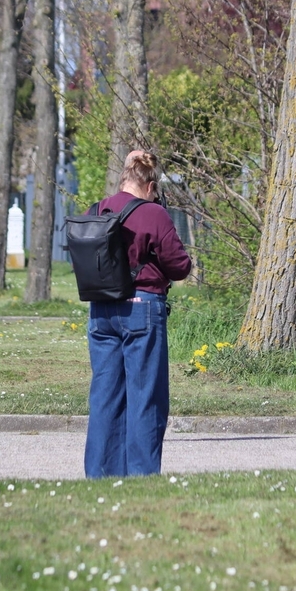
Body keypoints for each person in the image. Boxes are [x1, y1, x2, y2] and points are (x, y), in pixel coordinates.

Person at [84, 150, 192, 478]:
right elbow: (179, 266)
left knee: (105, 397)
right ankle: (142, 476)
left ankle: (102, 475)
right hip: (141, 309)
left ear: (123, 180)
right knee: (145, 396)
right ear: (150, 186)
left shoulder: (96, 210)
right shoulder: (153, 213)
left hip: (101, 311)